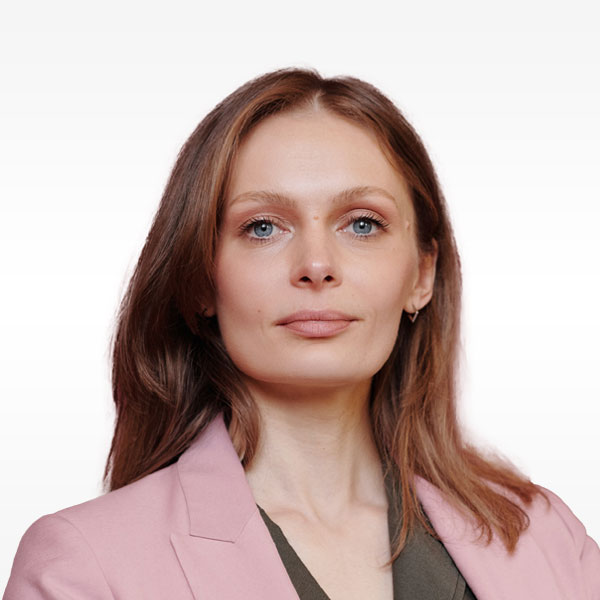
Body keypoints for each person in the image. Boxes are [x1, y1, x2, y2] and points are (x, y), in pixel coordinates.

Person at [3, 67, 599, 600]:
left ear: (422, 274)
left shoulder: (546, 537)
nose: (317, 264)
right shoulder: (84, 565)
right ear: (200, 280)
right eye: (264, 227)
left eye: (362, 224)